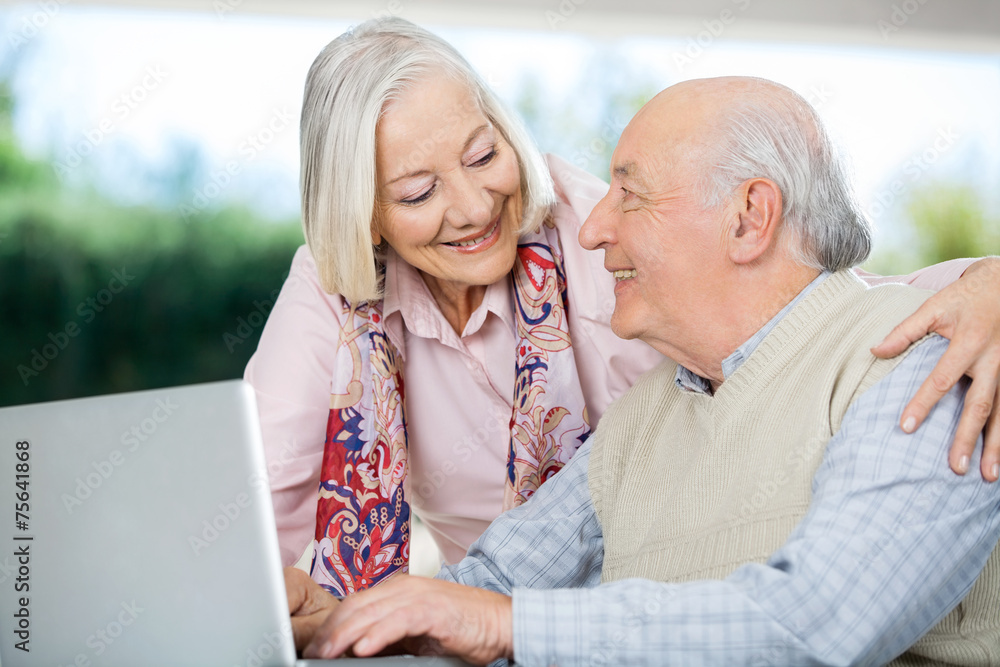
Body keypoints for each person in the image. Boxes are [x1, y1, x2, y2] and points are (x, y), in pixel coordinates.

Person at [246, 17, 1000, 594]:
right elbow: (255, 494)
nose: (475, 206)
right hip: (494, 612)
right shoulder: (333, 293)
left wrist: (988, 280)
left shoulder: (606, 235)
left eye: (484, 155)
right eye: (417, 192)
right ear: (361, 214)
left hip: (683, 597)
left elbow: (815, 308)